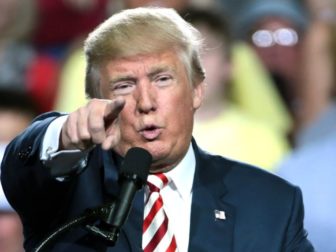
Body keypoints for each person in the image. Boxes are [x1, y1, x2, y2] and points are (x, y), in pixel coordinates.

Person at [1, 7, 314, 251]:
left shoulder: (270, 204)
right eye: (124, 85)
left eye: (162, 79)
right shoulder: (67, 192)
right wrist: (63, 133)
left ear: (196, 91)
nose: (145, 102)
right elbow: (20, 166)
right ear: (99, 102)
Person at [183, 7, 289, 170]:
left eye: (206, 50)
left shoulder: (264, 139)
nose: (193, 62)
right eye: (184, 51)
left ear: (229, 65)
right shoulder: (149, 136)